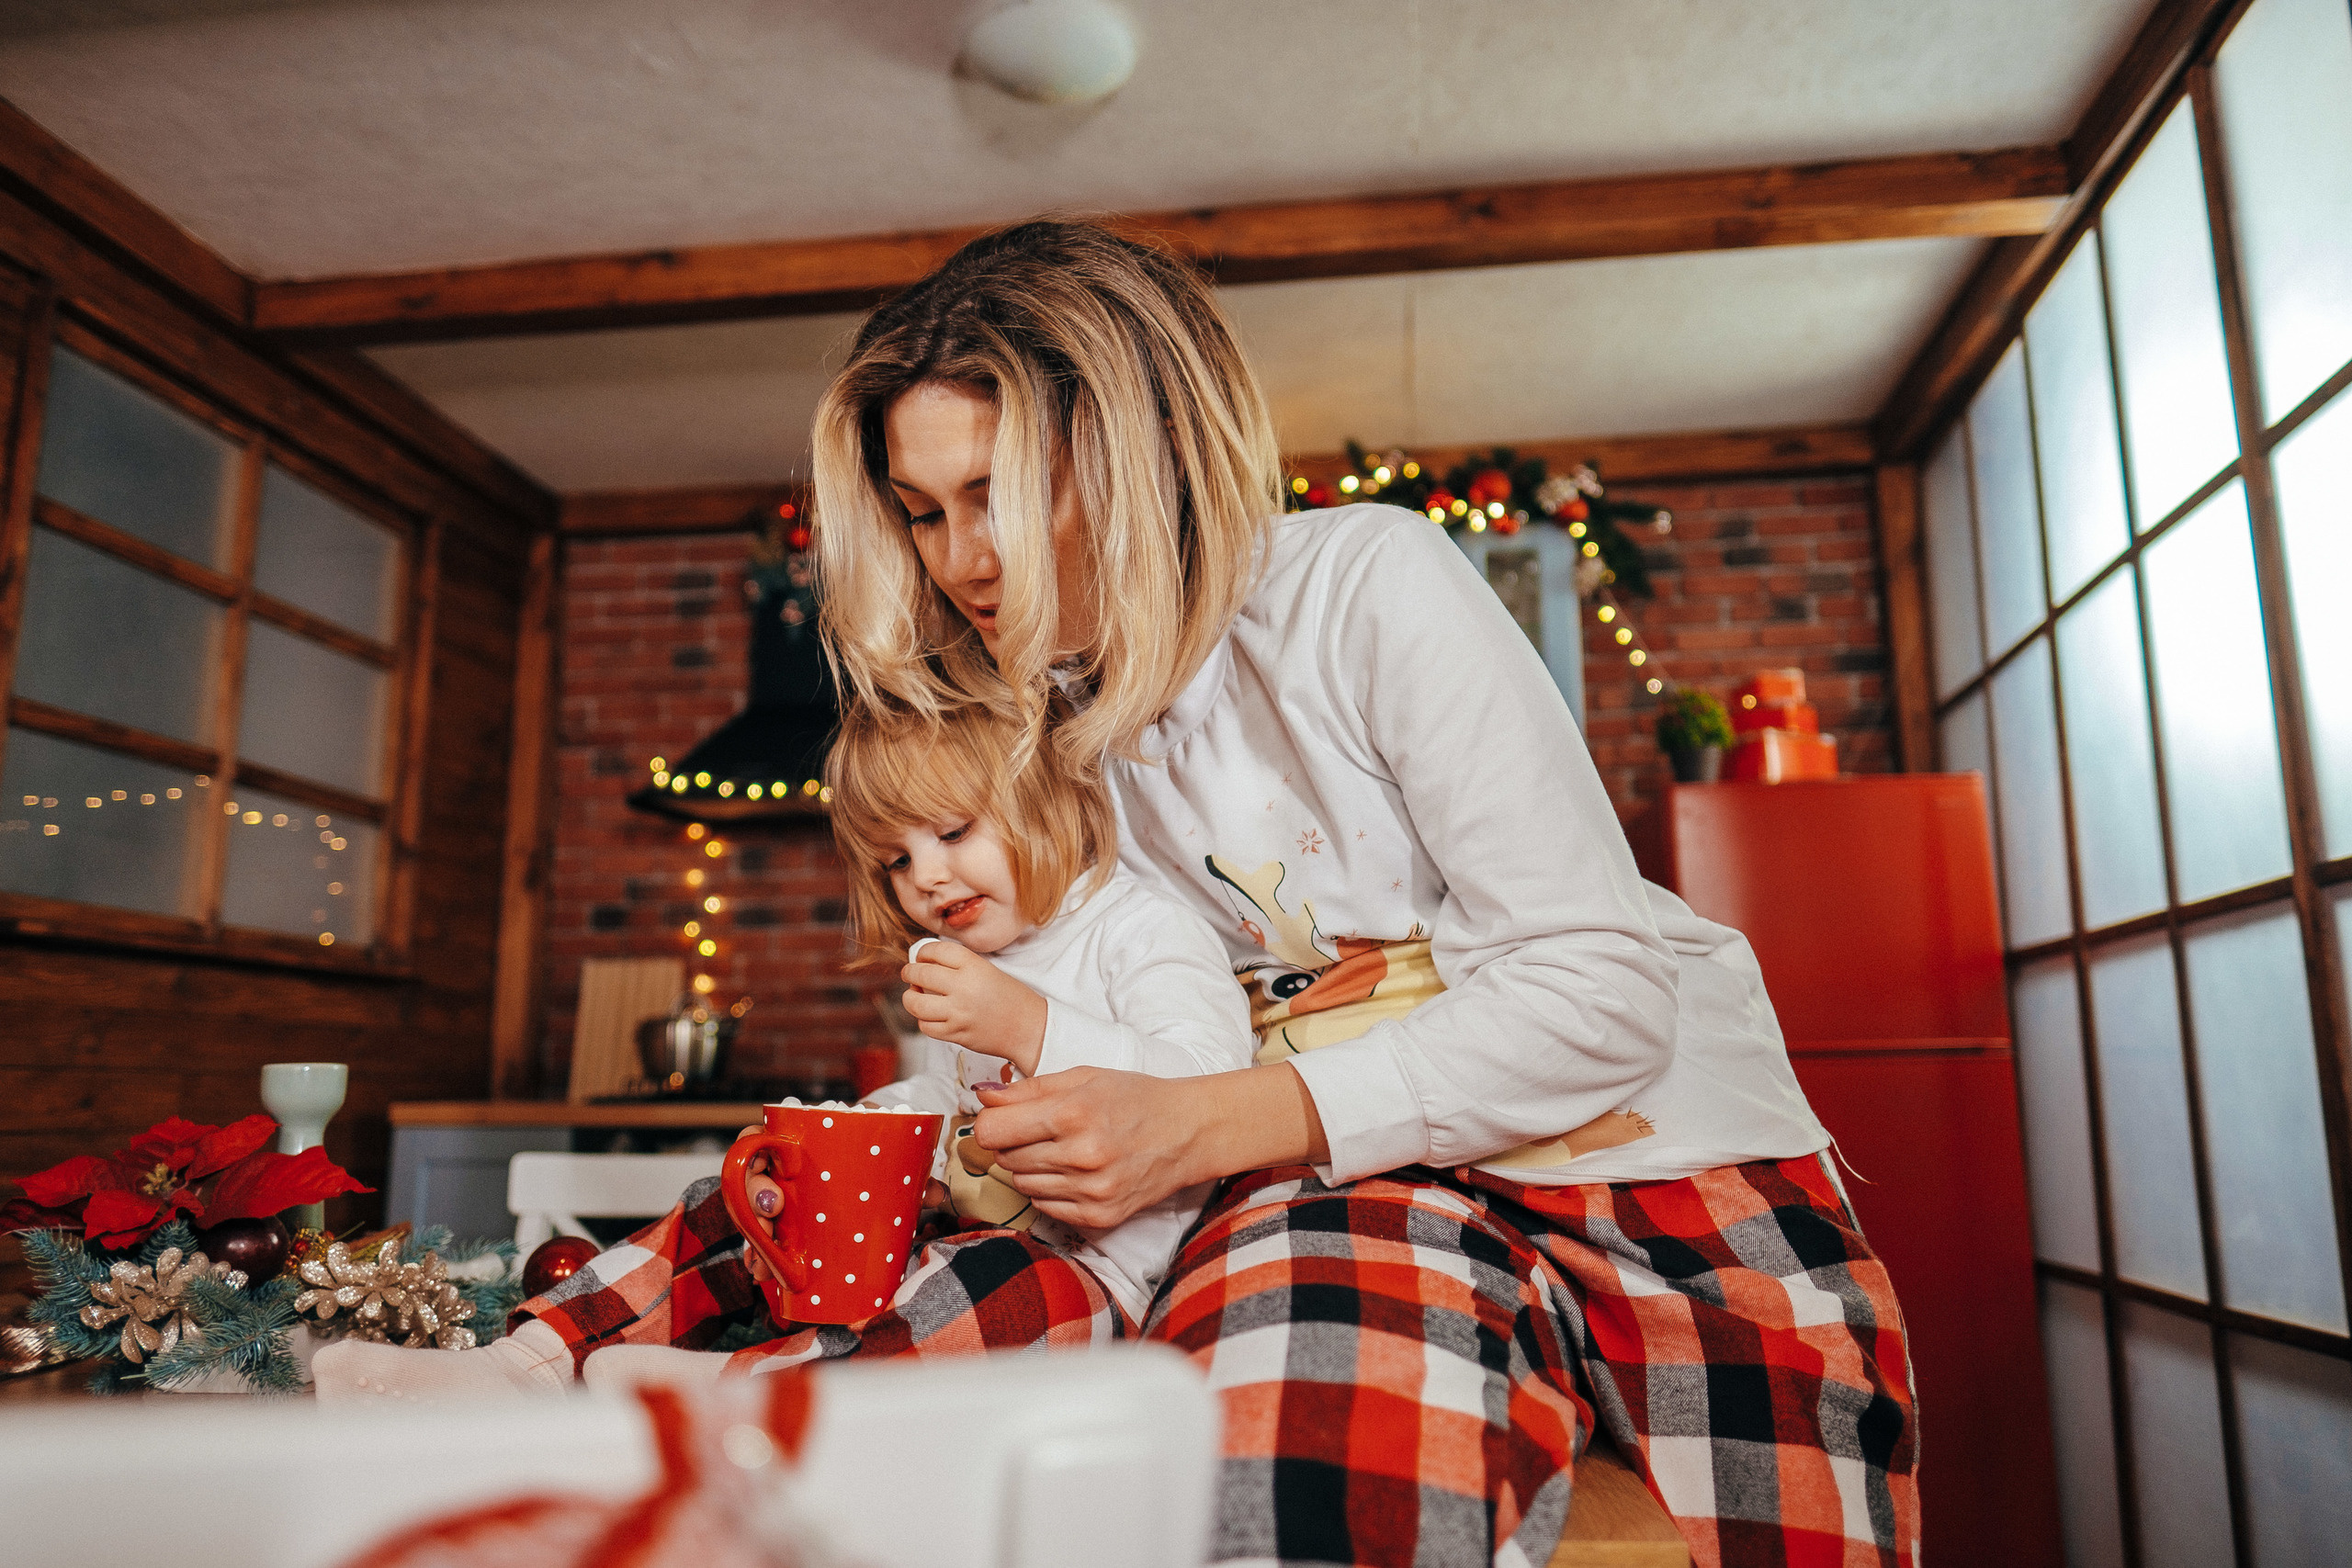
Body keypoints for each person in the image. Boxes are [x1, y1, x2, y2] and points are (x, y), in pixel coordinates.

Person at [356, 219, 1920, 1568]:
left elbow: (1597, 998)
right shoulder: (1023, 722)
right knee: (1267, 1471)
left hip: (1659, 1174)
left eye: (997, 492)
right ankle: (568, 1379)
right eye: (922, 510)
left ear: (1140, 442)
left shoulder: (1364, 584)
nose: (962, 559)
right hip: (1344, 1191)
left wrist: (1198, 1123)